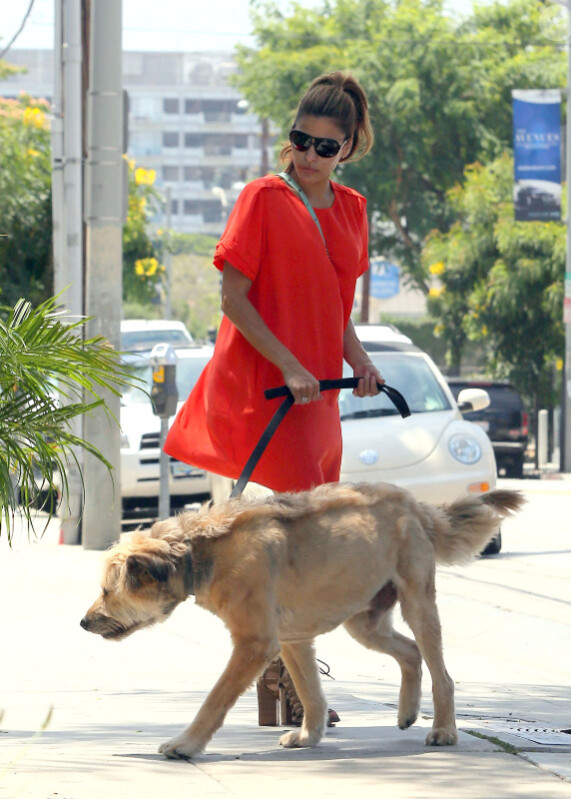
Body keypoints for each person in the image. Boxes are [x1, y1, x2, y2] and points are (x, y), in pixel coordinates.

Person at [164, 70, 383, 725]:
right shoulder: (262, 198)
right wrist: (289, 364)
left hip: (322, 401)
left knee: (316, 546)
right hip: (275, 392)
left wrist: (362, 360)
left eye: (326, 146)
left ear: (349, 147)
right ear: (290, 137)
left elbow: (336, 308)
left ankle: (278, 680)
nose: (310, 156)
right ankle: (290, 687)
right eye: (301, 141)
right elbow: (234, 296)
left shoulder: (351, 210)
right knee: (296, 545)